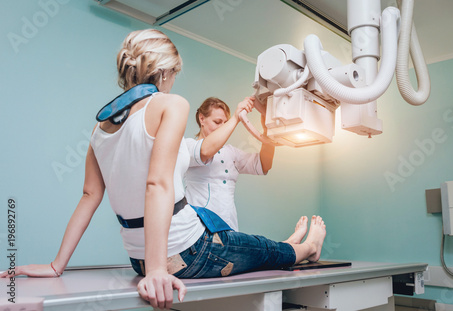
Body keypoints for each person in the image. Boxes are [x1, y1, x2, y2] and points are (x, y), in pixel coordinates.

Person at [0, 29, 327, 310]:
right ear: (167, 72)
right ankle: (307, 248)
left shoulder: (101, 128)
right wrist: (159, 270)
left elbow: (89, 196)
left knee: (257, 246)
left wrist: (57, 265)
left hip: (138, 260)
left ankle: (294, 246)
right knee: (263, 249)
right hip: (189, 251)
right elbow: (156, 184)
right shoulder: (172, 104)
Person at [185, 96, 275, 231]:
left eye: (225, 123)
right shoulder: (189, 146)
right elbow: (205, 151)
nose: (222, 127)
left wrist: (268, 131)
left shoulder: (231, 153)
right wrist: (235, 118)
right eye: (217, 122)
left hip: (229, 230)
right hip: (199, 231)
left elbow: (264, 164)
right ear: (201, 119)